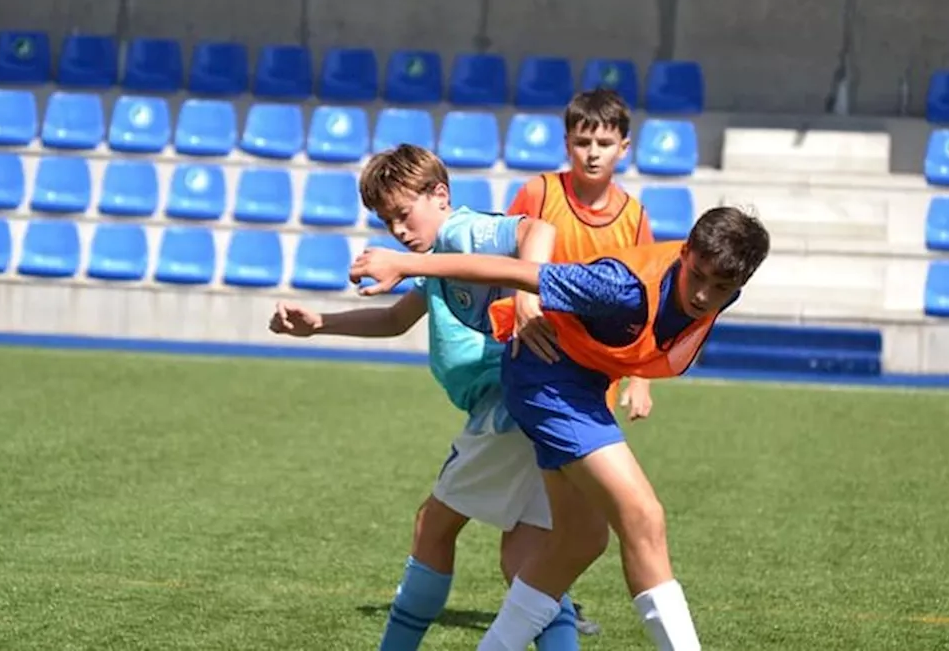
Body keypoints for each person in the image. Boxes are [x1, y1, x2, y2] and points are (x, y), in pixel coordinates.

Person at [350, 205, 772, 650]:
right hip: (545, 382)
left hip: (580, 388)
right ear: (685, 253)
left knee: (580, 540)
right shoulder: (619, 288)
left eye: (721, 287)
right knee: (644, 518)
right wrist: (405, 263)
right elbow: (515, 271)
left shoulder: (722, 284)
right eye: (697, 276)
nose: (704, 296)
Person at [268, 145, 580, 650]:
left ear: (440, 195)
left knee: (432, 525)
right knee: (526, 558)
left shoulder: (462, 230)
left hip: (509, 406)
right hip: (536, 403)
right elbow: (395, 318)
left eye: (402, 213)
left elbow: (537, 230)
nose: (397, 229)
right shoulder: (439, 261)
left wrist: (528, 291)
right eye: (386, 220)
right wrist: (320, 324)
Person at [506, 88, 655, 422]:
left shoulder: (634, 217)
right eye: (582, 142)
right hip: (538, 347)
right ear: (566, 144)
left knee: (579, 462)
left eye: (604, 144)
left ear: (623, 148)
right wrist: (520, 302)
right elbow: (502, 259)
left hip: (598, 363)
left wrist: (641, 378)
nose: (592, 154)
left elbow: (646, 301)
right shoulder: (539, 193)